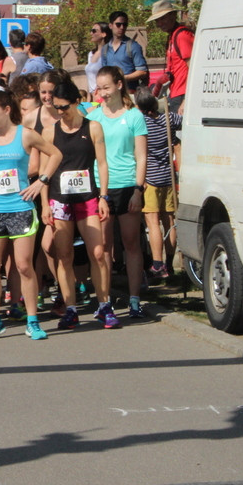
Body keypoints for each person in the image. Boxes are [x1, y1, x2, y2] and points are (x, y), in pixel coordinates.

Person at [0, 90, 62, 341]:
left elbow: (55, 154)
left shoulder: (26, 134)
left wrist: (41, 181)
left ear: (7, 109)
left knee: (23, 266)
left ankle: (32, 321)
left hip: (20, 207)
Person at [41, 81, 112, 331]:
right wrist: (45, 205)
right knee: (64, 256)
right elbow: (43, 173)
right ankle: (70, 308)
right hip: (60, 200)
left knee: (97, 253)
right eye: (56, 107)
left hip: (87, 198)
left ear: (75, 102)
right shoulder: (50, 132)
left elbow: (102, 164)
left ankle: (104, 305)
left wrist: (104, 196)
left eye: (64, 107)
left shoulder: (93, 127)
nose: (60, 112)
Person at [89, 66, 148, 324]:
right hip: (101, 188)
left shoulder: (134, 116)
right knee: (102, 248)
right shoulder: (93, 117)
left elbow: (141, 155)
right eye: (99, 88)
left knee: (131, 243)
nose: (102, 93)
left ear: (119, 85)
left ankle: (135, 299)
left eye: (106, 87)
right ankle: (105, 300)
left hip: (127, 186)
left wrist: (138, 188)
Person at [134, 87, 181, 281]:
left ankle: (158, 264)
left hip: (150, 179)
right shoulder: (167, 119)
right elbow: (182, 120)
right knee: (169, 222)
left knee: (153, 223)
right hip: (168, 177)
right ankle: (170, 263)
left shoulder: (141, 123)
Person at [149, 0, 194, 114]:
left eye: (162, 18)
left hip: (182, 95)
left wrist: (186, 100)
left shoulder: (182, 35)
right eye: (157, 20)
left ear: (173, 16)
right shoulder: (172, 35)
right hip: (175, 93)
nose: (160, 24)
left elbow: (194, 69)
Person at [104, 11, 149, 92]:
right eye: (118, 24)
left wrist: (123, 78)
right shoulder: (105, 49)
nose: (122, 27)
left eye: (124, 25)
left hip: (130, 92)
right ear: (110, 25)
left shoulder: (133, 46)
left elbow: (143, 72)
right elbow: (104, 72)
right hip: (111, 93)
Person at [86, 22, 112, 98]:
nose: (91, 33)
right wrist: (88, 98)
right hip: (93, 97)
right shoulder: (91, 54)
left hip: (103, 96)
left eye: (94, 31)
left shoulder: (110, 53)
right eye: (91, 30)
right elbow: (89, 78)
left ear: (104, 34)